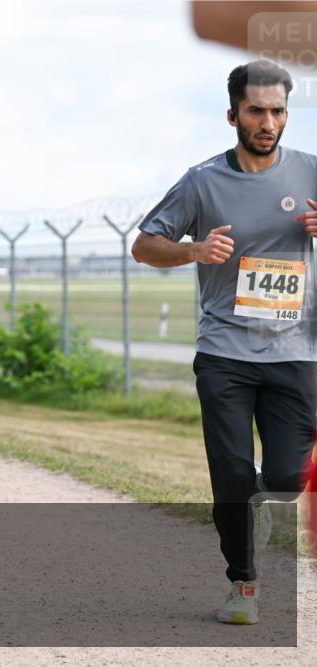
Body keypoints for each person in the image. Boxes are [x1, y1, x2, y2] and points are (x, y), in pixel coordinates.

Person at [132, 60, 316, 625]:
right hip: (225, 353)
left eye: (278, 111)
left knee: (287, 479)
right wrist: (193, 250)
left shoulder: (311, 172)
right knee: (233, 475)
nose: (268, 121)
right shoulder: (202, 180)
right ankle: (244, 585)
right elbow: (145, 245)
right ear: (232, 113)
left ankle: (262, 499)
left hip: (297, 352)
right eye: (256, 110)